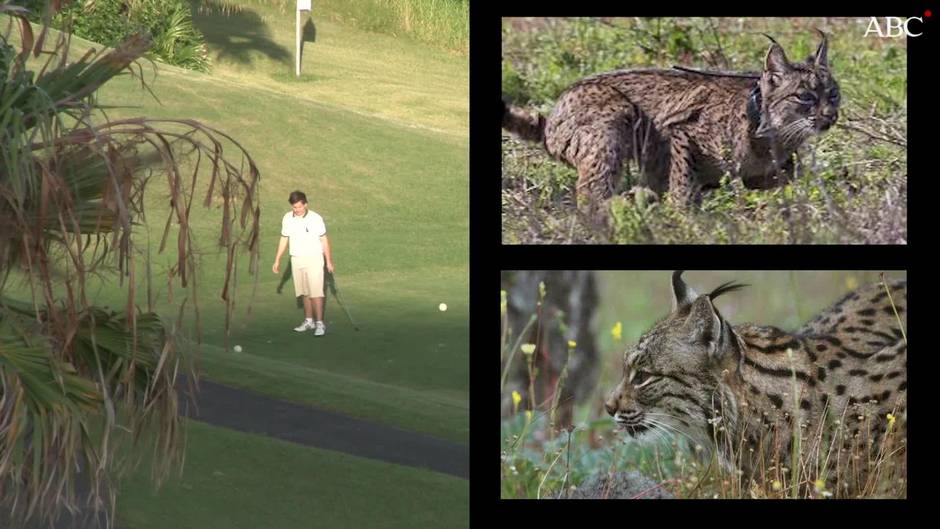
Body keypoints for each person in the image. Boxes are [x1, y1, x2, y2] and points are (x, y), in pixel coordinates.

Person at [272, 190, 335, 336]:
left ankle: (319, 323)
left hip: (314, 258)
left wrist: (329, 261)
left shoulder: (315, 218)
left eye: (299, 207)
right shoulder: (287, 218)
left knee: (316, 292)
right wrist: (277, 259)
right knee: (304, 291)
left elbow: (324, 240)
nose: (297, 210)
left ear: (305, 204)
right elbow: (284, 239)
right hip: (296, 258)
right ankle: (308, 321)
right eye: (294, 207)